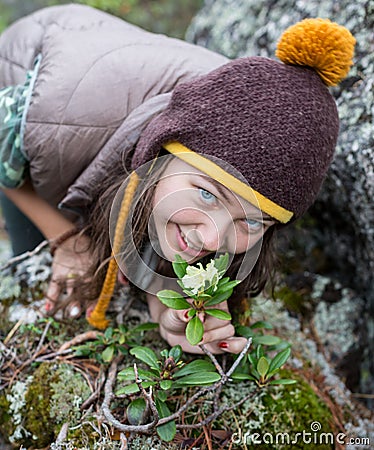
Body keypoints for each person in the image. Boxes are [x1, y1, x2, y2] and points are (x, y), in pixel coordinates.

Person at [0, 4, 355, 354]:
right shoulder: (58, 118)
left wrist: (165, 304)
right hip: (32, 79)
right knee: (36, 239)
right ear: (161, 153)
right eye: (206, 194)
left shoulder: (221, 130)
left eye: (251, 220)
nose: (213, 237)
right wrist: (65, 239)